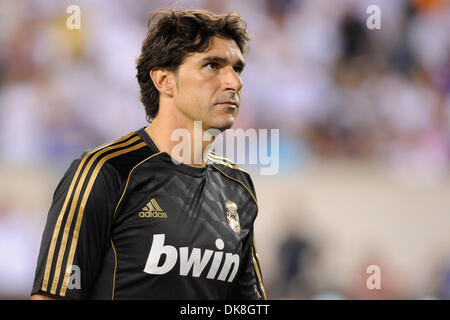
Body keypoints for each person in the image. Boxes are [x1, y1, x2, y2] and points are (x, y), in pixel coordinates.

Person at [31, 8, 266, 300]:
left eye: (237, 68)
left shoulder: (238, 187)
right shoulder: (105, 172)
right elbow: (53, 296)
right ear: (163, 80)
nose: (234, 82)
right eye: (212, 65)